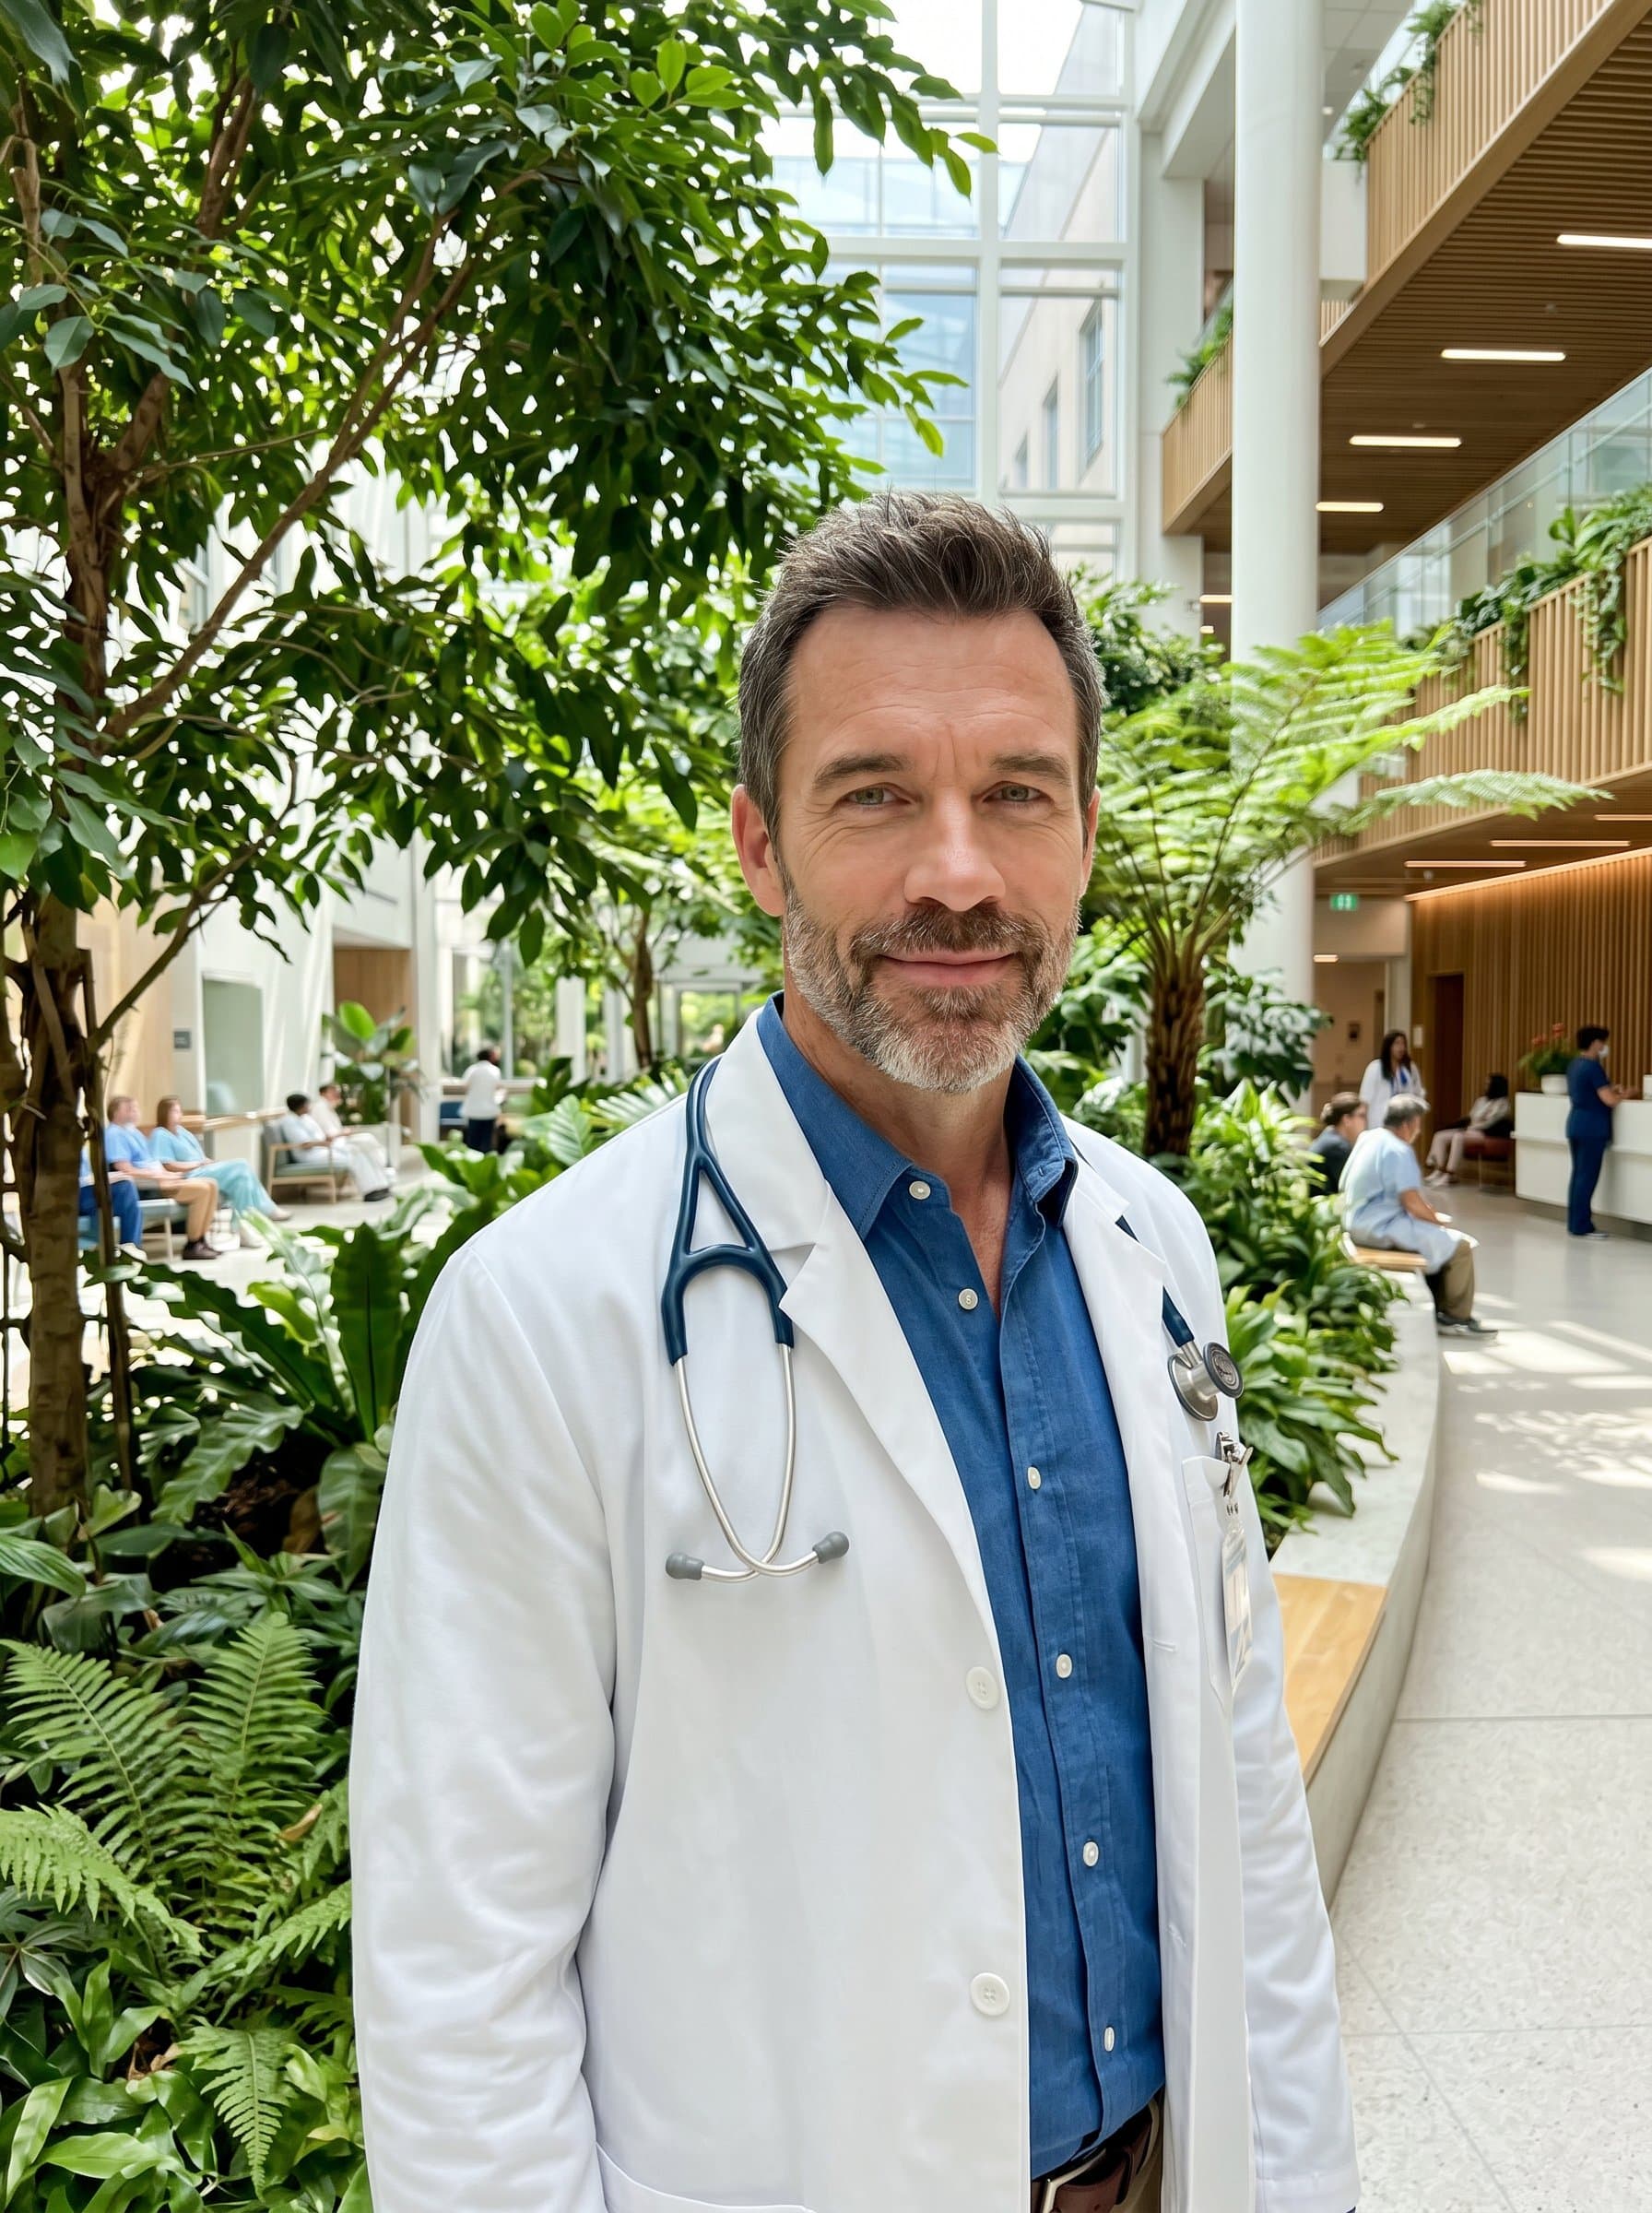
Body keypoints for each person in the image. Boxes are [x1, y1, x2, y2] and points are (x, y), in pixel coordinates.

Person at [353, 496, 1359, 2213]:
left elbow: (1244, 1815)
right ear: (760, 844)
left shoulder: (1147, 1251)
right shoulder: (545, 1315)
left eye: (1015, 795)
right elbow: (461, 1980)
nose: (957, 873)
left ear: (1084, 835)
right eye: (876, 793)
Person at [1343, 1096, 1494, 1335]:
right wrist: (1437, 1221)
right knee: (1460, 1246)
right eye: (1418, 1124)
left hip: (1356, 1221)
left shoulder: (1369, 1138)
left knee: (1436, 1240)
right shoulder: (1398, 1149)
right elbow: (1412, 1203)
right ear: (1408, 1124)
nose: (1419, 1130)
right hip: (1379, 1228)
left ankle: (1441, 1309)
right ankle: (1457, 1317)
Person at [148, 1096, 291, 1247]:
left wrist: (208, 1161)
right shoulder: (160, 1134)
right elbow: (167, 1165)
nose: (179, 1114)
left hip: (202, 1169)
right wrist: (196, 1164)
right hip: (189, 1175)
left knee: (241, 1181)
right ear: (165, 1113)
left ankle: (243, 1227)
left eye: (179, 1110)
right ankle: (263, 1211)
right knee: (241, 1165)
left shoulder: (183, 1132)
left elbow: (200, 1156)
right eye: (174, 1111)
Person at [101, 1095, 224, 1260]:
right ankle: (193, 1244)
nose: (135, 1112)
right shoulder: (114, 1134)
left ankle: (202, 1241)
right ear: (115, 1113)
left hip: (158, 1179)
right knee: (202, 1189)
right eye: (129, 1109)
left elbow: (151, 1162)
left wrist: (166, 1174)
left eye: (135, 1108)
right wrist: (158, 1175)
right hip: (147, 1186)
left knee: (212, 1184)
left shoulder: (133, 1132)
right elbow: (124, 1169)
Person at [271, 1094, 391, 1201]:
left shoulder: (304, 1118)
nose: (309, 1107)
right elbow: (305, 1144)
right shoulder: (289, 1122)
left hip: (321, 1150)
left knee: (359, 1151)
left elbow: (317, 1136)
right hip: (310, 1156)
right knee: (354, 1157)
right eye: (307, 1104)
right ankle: (370, 1192)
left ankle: (380, 1186)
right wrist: (324, 1143)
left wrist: (327, 1139)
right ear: (301, 1106)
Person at [1565, 1025, 1622, 1238]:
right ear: (1596, 1043)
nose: (1605, 1046)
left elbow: (1591, 1091)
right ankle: (1582, 1225)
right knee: (1587, 1177)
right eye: (1603, 1042)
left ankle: (1575, 1223)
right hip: (1592, 1128)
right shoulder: (1593, 1067)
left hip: (1576, 1124)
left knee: (1578, 1176)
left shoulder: (1574, 1065)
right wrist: (1624, 1095)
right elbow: (1609, 1100)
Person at [1424, 1073, 1514, 1187]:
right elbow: (1471, 1117)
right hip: (1470, 1130)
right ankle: (1439, 1170)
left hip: (1486, 1134)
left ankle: (1450, 1174)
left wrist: (1474, 1127)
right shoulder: (1481, 1101)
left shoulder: (1503, 1103)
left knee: (1458, 1137)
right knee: (1440, 1136)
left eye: (1488, 1083)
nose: (1485, 1086)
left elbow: (1493, 1122)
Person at [315, 1081, 396, 1186]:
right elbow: (329, 1134)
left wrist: (345, 1132)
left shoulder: (328, 1107)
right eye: (333, 1091)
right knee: (367, 1141)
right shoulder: (320, 1107)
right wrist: (344, 1132)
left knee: (369, 1141)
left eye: (337, 1091)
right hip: (333, 1145)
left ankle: (383, 1176)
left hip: (340, 1141)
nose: (337, 1094)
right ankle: (384, 1175)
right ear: (323, 1093)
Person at [78, 1152, 144, 1254]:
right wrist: (104, 1179)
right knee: (125, 1189)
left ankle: (129, 1247)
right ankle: (130, 1246)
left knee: (126, 1189)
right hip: (71, 1196)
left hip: (84, 1191)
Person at [1358, 1028, 1426, 1121]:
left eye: (1403, 1044)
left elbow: (1417, 1093)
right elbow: (1365, 1099)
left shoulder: (1409, 1068)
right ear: (1389, 1046)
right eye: (1397, 1043)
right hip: (1379, 1120)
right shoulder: (1375, 1067)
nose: (1401, 1048)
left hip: (1402, 1121)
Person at [1308, 1092, 1366, 1194]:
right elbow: (1353, 1187)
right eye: (1361, 1116)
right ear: (1347, 1119)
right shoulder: (1337, 1147)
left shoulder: (1330, 1136)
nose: (1365, 1121)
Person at [458, 1045, 506, 1152]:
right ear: (490, 1057)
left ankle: (472, 1163)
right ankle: (484, 1163)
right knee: (486, 1140)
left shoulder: (472, 1070)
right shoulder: (495, 1071)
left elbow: (464, 1087)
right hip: (489, 1111)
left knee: (473, 1140)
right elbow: (499, 1088)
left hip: (474, 1110)